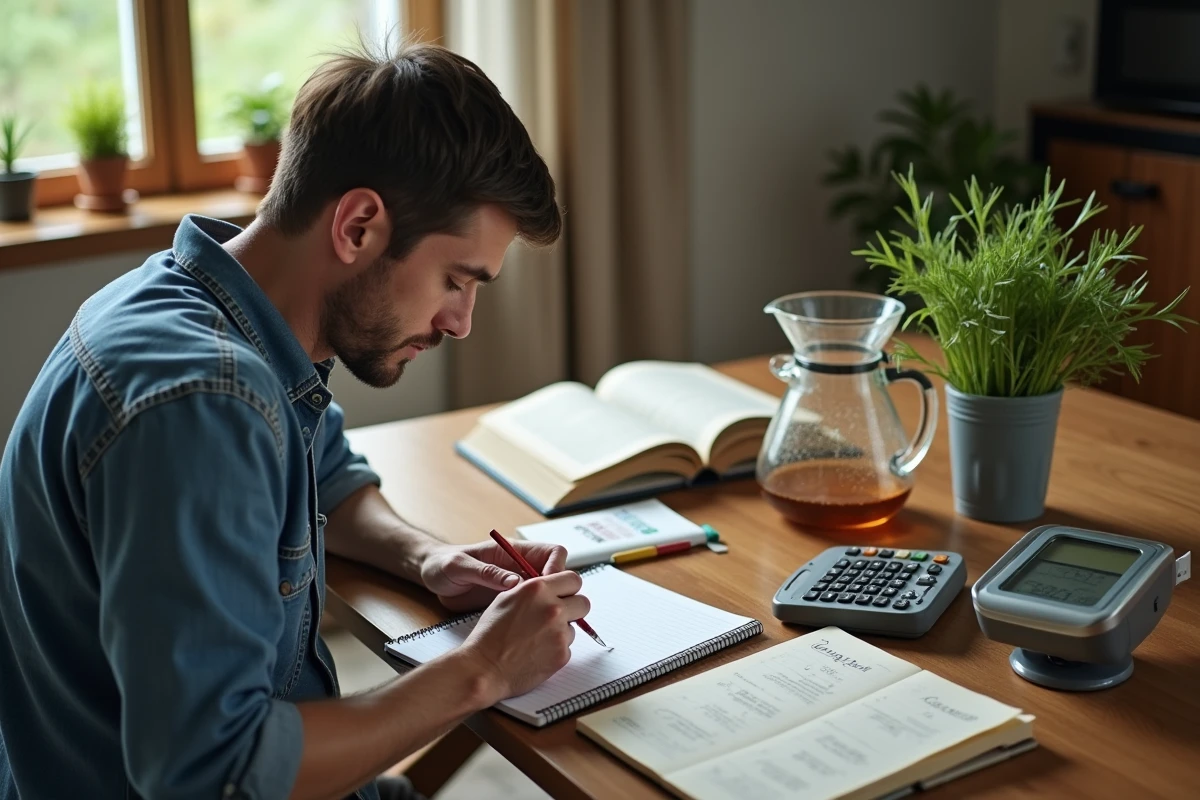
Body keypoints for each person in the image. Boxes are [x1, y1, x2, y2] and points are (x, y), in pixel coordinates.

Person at [0, 40, 584, 800]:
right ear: (359, 226)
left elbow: (330, 481)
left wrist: (426, 558)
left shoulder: (203, 304)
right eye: (455, 279)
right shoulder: (203, 400)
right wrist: (480, 671)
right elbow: (216, 773)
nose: (461, 321)